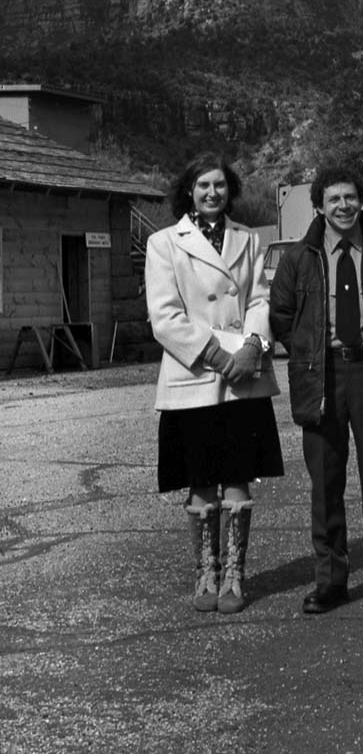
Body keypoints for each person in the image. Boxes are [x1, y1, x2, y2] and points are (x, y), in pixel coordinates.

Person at [269, 163, 363, 614]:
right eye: (333, 199)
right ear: (319, 205)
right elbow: (281, 318)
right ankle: (330, 579)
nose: (343, 206)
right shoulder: (299, 258)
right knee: (326, 485)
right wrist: (312, 351)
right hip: (323, 376)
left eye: (350, 197)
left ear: (361, 201)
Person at [146, 154, 282, 615]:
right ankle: (206, 569)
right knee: (201, 479)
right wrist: (217, 355)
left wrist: (254, 347)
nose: (211, 193)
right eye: (203, 185)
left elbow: (260, 298)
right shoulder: (164, 243)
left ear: (230, 190)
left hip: (244, 374)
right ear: (188, 190)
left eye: (220, 185)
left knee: (239, 473)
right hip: (194, 375)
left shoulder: (248, 239)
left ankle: (234, 577)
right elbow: (165, 318)